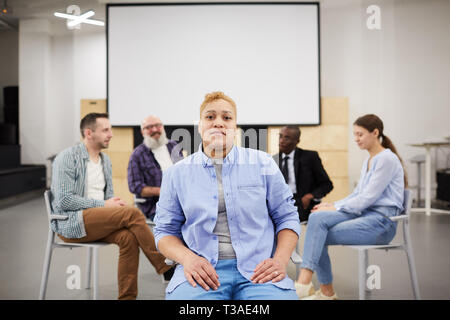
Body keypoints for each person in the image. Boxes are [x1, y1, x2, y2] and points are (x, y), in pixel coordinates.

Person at [153, 91, 301, 300]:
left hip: (260, 270)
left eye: (227, 117)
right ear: (200, 126)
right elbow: (164, 232)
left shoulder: (263, 164)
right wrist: (188, 259)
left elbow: (287, 217)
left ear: (235, 127)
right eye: (210, 117)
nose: (219, 123)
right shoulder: (176, 173)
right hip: (201, 272)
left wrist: (280, 260)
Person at [50, 112, 173, 300]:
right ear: (89, 133)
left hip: (98, 219)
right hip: (72, 222)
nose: (111, 134)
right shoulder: (67, 157)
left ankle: (127, 298)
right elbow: (64, 201)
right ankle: (164, 266)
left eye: (110, 129)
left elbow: (107, 196)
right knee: (132, 214)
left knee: (129, 238)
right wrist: (104, 204)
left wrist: (113, 203)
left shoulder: (105, 160)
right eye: (105, 130)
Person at [294, 114, 407, 300]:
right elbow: (358, 195)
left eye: (360, 134)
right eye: (354, 134)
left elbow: (367, 199)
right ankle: (316, 288)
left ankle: (313, 287)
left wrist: (335, 209)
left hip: (381, 223)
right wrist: (332, 204)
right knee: (316, 218)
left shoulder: (386, 159)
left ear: (375, 133)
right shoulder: (369, 160)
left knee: (317, 236)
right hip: (365, 215)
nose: (356, 139)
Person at [127, 115, 183, 220]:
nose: (154, 130)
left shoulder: (173, 146)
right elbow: (135, 186)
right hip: (156, 207)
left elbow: (184, 173)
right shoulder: (137, 155)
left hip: (181, 201)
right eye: (148, 127)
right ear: (142, 132)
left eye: (157, 125)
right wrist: (163, 191)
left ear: (162, 127)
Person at [274, 126, 333, 222]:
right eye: (280, 136)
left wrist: (310, 196)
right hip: (281, 205)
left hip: (304, 205)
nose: (281, 141)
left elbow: (327, 185)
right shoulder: (273, 160)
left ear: (297, 141)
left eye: (287, 138)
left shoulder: (310, 157)